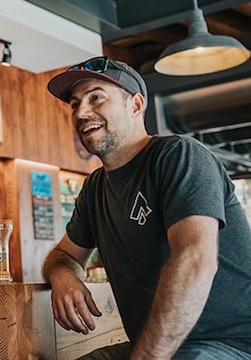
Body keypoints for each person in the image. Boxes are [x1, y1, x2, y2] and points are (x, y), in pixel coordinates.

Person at [42, 56, 251, 360]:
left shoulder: (178, 156)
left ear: (136, 105)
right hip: (157, 346)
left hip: (230, 344)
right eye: (75, 104)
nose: (82, 112)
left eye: (96, 97)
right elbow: (62, 256)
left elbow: (195, 258)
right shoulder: (94, 189)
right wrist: (64, 275)